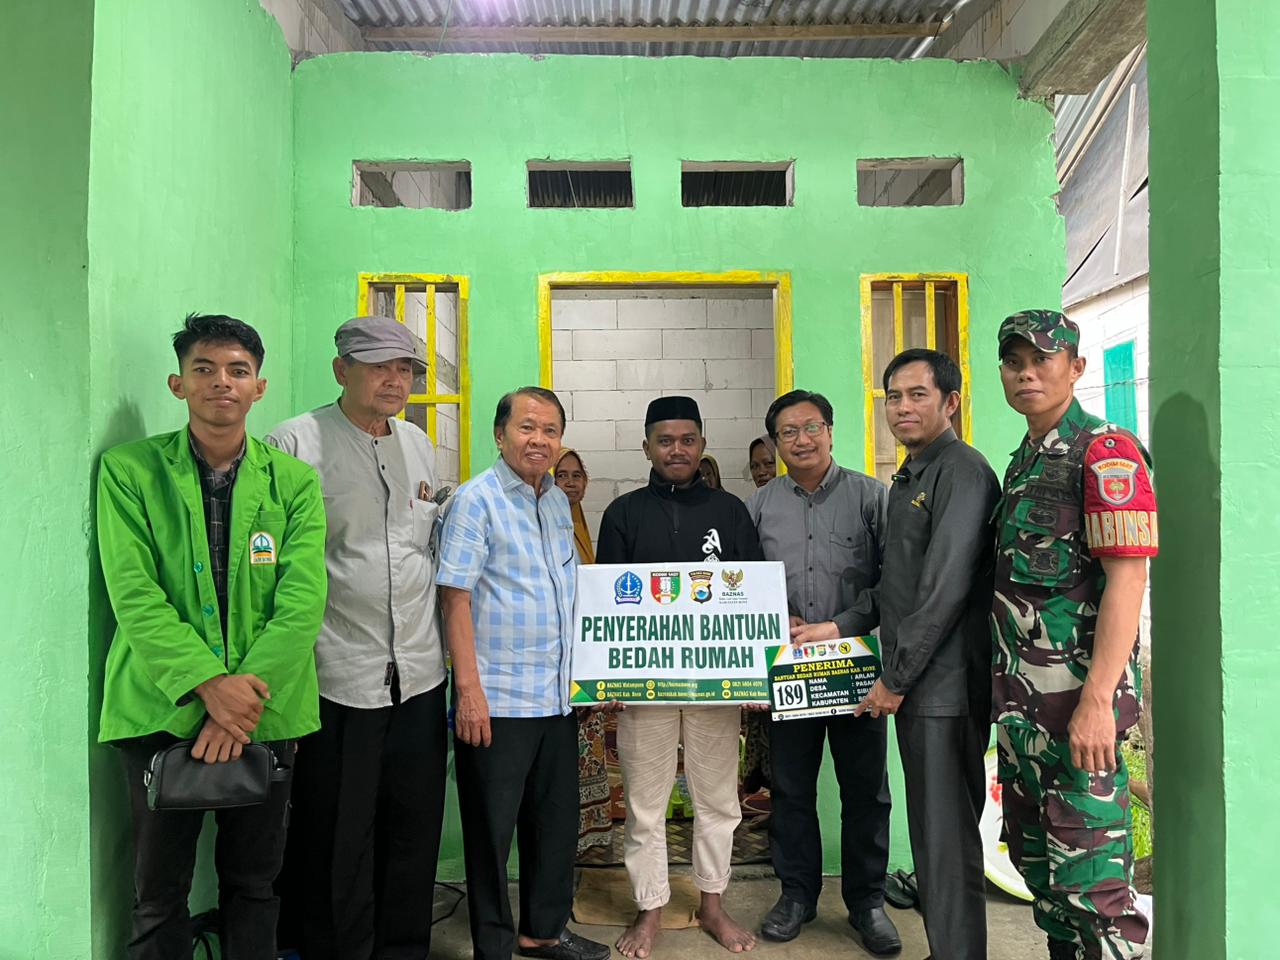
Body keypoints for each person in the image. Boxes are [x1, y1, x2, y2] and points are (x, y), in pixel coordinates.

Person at [97, 313, 326, 959]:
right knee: (157, 892)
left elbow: (303, 601)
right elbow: (134, 594)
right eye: (204, 368)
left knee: (255, 885)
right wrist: (209, 688)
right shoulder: (130, 472)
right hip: (160, 708)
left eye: (237, 370)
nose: (221, 381)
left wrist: (235, 707)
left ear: (259, 387)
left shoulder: (294, 483)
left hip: (263, 714)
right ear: (178, 384)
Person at [267, 316, 448, 959]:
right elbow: (273, 568)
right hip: (338, 672)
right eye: (378, 367)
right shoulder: (294, 442)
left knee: (413, 827)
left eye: (404, 369)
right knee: (335, 831)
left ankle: (402, 949)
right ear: (341, 369)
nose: (394, 380)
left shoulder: (418, 444)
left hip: (420, 674)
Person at [992, 310, 1155, 960]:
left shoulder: (1104, 452)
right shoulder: (1024, 461)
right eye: (1014, 362)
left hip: (1079, 720)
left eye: (1043, 359)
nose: (1026, 373)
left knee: (1096, 897)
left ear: (1076, 367)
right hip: (1025, 718)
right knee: (1047, 884)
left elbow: (1128, 580)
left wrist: (1097, 702)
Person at [437, 387, 610, 960]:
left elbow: (569, 594)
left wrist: (588, 679)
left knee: (554, 824)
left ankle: (543, 930)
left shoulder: (557, 502)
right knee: (491, 832)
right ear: (500, 434)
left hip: (556, 697)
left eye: (550, 430)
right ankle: (492, 944)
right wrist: (468, 693)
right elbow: (455, 598)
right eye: (527, 427)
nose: (539, 440)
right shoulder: (476, 501)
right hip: (498, 701)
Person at [596, 396, 764, 959]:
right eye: (665, 440)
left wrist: (756, 677)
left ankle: (712, 903)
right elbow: (607, 606)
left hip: (716, 685)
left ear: (701, 446)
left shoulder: (731, 512)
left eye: (687, 440)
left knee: (718, 801)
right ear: (646, 446)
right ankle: (650, 907)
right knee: (645, 804)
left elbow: (752, 598)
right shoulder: (622, 514)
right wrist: (609, 679)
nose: (677, 450)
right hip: (646, 686)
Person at [853, 349, 999, 960]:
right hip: (922, 688)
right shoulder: (912, 474)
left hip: (943, 689)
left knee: (946, 841)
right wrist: (836, 624)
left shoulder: (961, 471)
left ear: (951, 402)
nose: (903, 407)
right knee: (933, 836)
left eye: (918, 394)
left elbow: (943, 589)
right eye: (894, 396)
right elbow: (898, 585)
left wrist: (896, 677)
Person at [745, 389, 898, 955]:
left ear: (831, 431)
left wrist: (839, 625)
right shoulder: (758, 507)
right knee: (790, 789)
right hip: (789, 674)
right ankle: (796, 895)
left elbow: (894, 582)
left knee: (866, 792)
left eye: (811, 427)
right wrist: (772, 615)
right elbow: (742, 584)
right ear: (775, 443)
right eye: (788, 432)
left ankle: (867, 902)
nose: (802, 440)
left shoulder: (871, 497)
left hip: (856, 669)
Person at [553, 448, 612, 855]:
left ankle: (589, 831)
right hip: (560, 656)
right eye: (562, 475)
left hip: (585, 654)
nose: (570, 483)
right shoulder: (549, 526)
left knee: (588, 741)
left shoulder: (582, 528)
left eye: (577, 475)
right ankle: (565, 837)